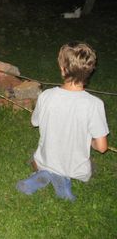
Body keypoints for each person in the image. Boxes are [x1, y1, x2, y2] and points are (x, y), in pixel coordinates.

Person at [16, 42, 109, 201]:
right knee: (92, 166)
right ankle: (62, 177)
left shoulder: (46, 96)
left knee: (34, 157)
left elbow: (34, 122)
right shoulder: (94, 104)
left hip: (45, 162)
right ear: (89, 71)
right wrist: (92, 142)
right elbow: (102, 148)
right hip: (77, 171)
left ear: (62, 69)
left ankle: (47, 173)